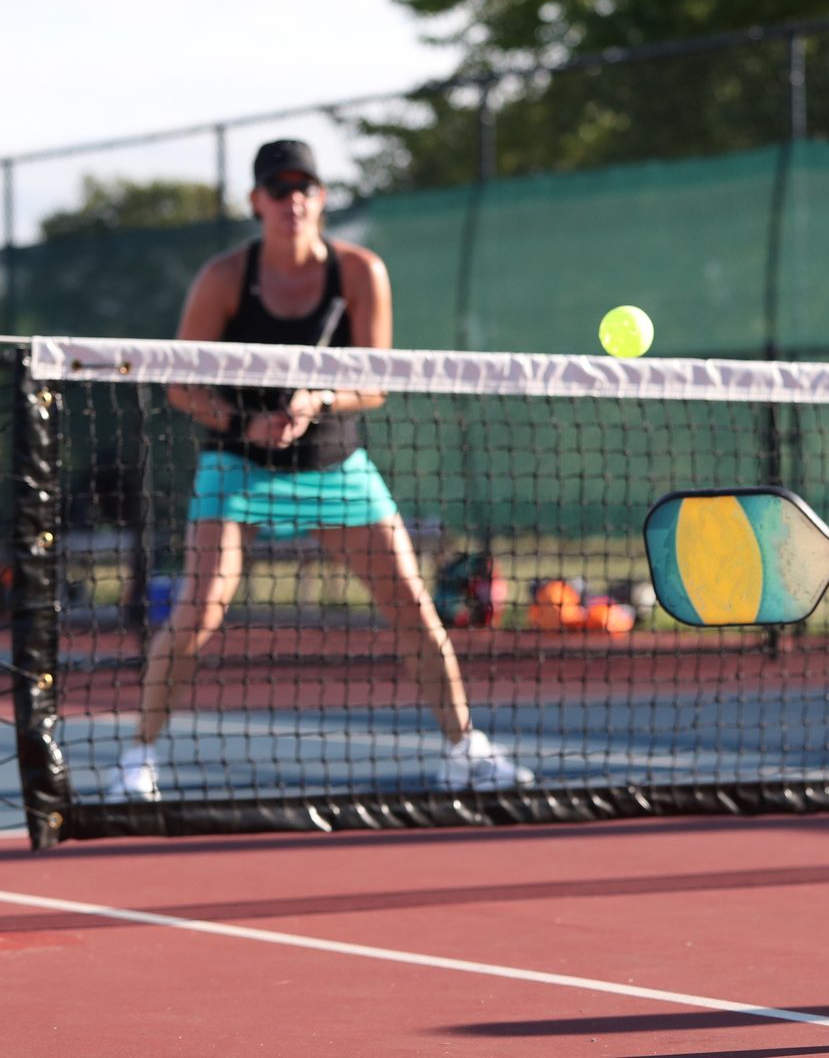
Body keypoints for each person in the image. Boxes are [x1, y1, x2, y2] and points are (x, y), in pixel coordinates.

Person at [107, 139, 532, 800]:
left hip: (336, 466)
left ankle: (463, 749)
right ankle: (138, 760)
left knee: (414, 609)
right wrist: (239, 423)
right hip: (238, 467)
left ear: (322, 198)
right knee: (198, 611)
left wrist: (320, 399)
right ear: (257, 203)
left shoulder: (360, 272)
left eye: (305, 187)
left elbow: (377, 383)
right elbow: (178, 384)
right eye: (279, 189)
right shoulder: (224, 279)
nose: (293, 200)